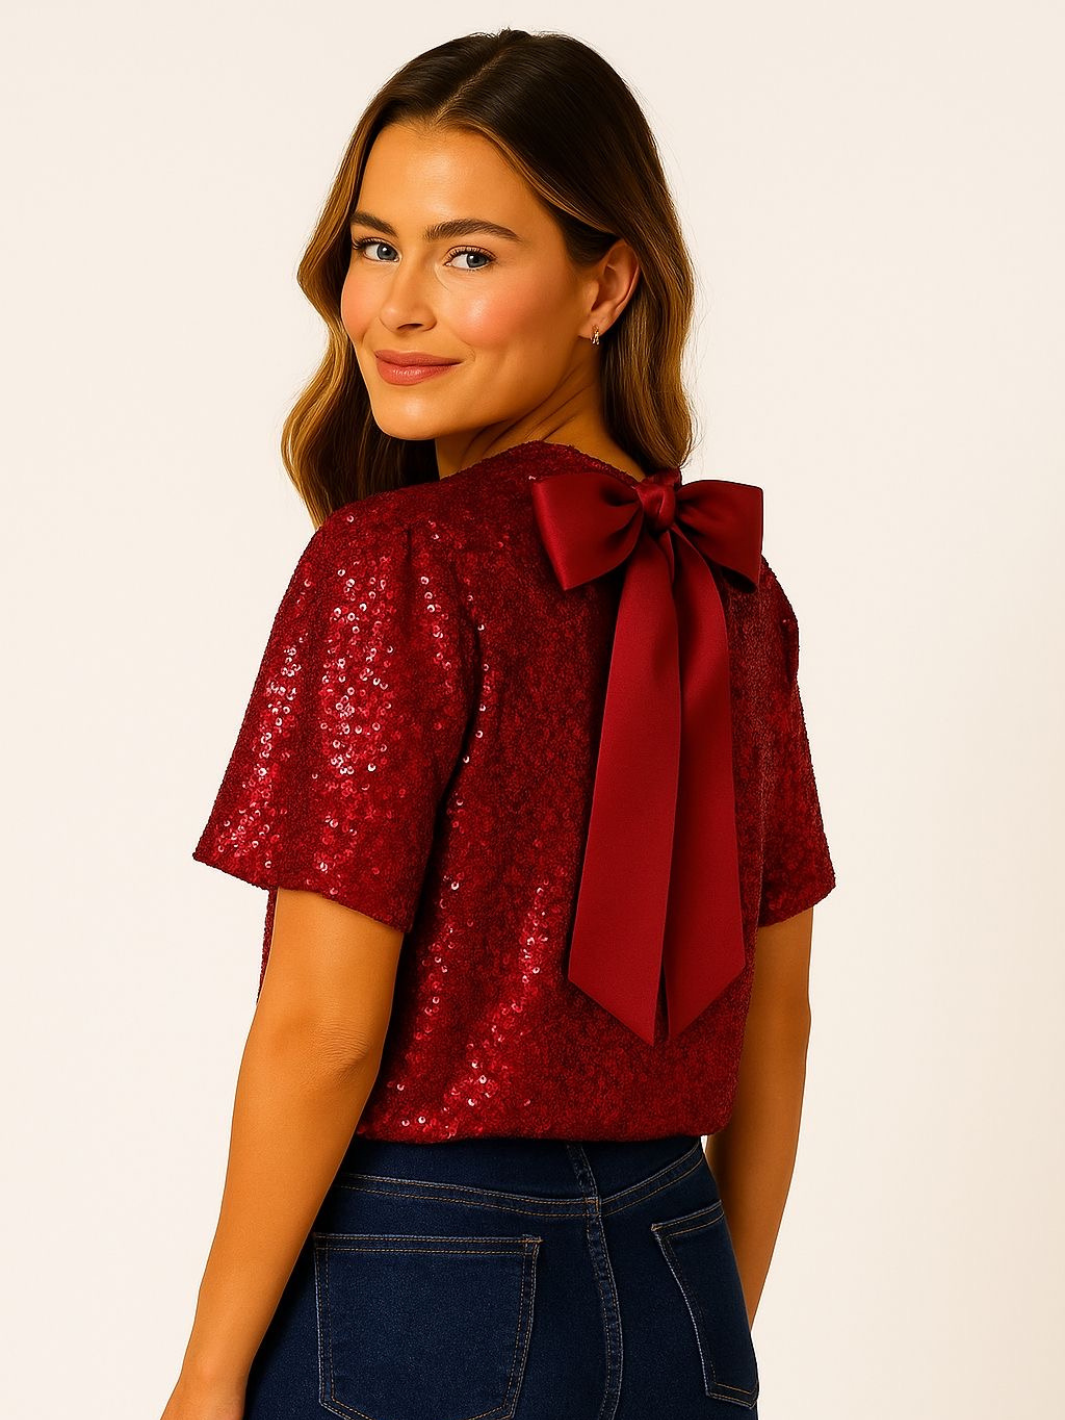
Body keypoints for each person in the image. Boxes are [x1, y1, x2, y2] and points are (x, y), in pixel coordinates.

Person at [162, 27, 836, 1420]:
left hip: (419, 1282)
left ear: (606, 284)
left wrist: (206, 1379)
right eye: (376, 246)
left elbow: (322, 1028)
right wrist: (710, 1326)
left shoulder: (396, 563)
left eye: (469, 254)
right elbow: (778, 1018)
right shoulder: (736, 585)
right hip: (678, 1259)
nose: (398, 307)